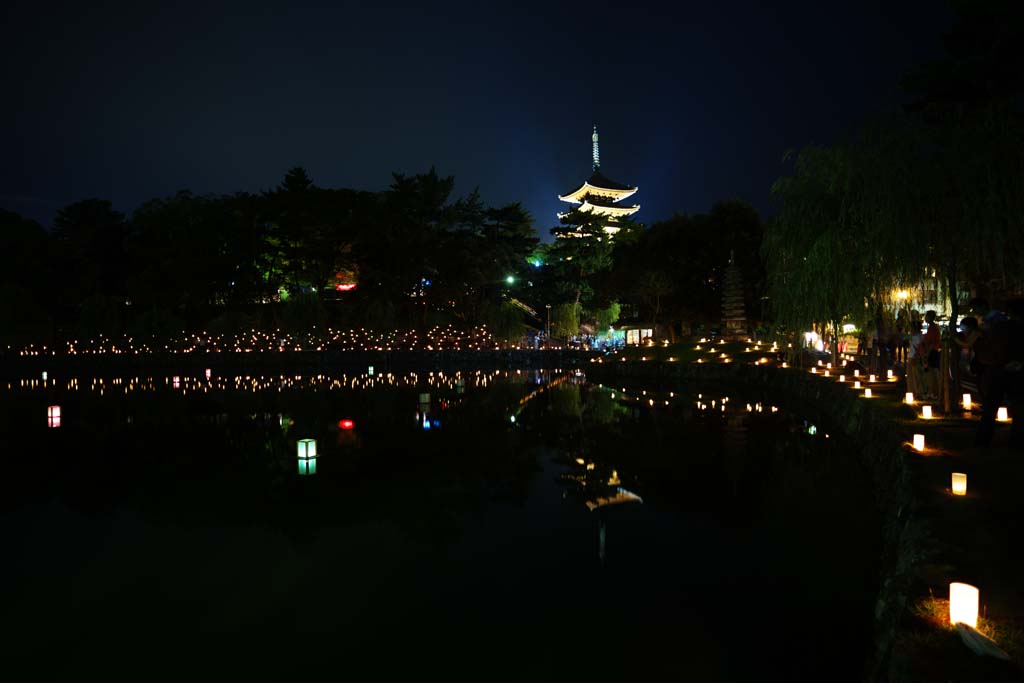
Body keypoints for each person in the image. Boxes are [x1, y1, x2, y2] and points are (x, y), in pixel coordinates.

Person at [921, 310, 940, 401]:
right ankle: (932, 392)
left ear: (930, 317)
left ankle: (932, 393)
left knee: (930, 373)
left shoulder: (932, 328)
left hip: (931, 352)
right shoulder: (932, 327)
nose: (925, 318)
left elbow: (931, 343)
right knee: (930, 373)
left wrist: (926, 354)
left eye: (926, 316)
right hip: (932, 352)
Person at [906, 321, 924, 397]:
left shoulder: (919, 337)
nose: (910, 329)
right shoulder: (916, 336)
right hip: (911, 356)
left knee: (915, 375)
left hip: (914, 357)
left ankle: (916, 392)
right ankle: (912, 391)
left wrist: (915, 357)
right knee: (911, 375)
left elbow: (919, 348)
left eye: (911, 327)